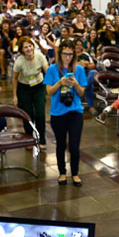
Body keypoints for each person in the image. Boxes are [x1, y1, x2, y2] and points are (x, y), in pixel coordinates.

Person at [45, 40, 86, 187]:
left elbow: (81, 93)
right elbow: (49, 91)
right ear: (60, 54)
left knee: (74, 146)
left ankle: (75, 173)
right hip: (58, 113)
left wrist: (75, 84)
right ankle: (62, 172)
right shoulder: (52, 69)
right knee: (60, 144)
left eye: (70, 54)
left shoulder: (79, 70)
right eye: (65, 54)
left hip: (75, 112)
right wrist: (60, 82)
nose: (68, 57)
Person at [12, 36, 48, 150]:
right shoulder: (19, 62)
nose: (28, 49)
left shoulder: (40, 56)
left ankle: (42, 139)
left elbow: (47, 70)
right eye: (25, 47)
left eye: (30, 46)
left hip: (39, 86)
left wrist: (51, 85)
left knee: (40, 113)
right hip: (24, 88)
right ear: (22, 50)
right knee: (28, 115)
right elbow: (14, 79)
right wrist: (14, 95)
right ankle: (29, 139)